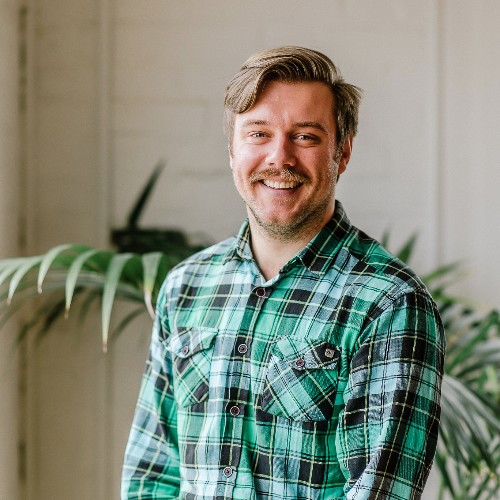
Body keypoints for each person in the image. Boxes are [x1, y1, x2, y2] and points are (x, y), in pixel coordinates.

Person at [122, 46, 445, 499]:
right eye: (258, 134)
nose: (280, 157)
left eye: (306, 137)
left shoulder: (388, 302)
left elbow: (380, 491)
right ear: (232, 151)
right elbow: (151, 473)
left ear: (343, 152)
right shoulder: (186, 286)